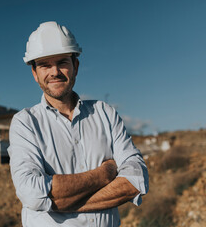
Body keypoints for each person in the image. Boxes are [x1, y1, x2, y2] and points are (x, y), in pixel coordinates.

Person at [8, 21, 149, 227]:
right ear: (34, 73)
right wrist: (104, 174)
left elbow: (135, 180)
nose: (54, 72)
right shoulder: (25, 123)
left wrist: (60, 203)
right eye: (45, 65)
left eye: (62, 62)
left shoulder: (104, 113)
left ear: (76, 66)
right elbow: (32, 194)